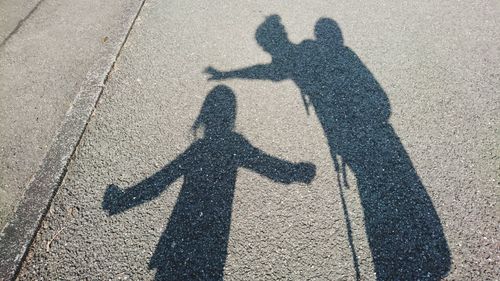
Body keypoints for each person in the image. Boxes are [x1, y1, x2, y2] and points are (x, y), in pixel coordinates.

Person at [206, 16, 450, 280]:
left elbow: (268, 71)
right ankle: (416, 251)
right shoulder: (305, 52)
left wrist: (228, 74)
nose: (269, 52)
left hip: (350, 134)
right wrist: (228, 73)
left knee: (379, 191)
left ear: (274, 42)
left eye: (268, 46)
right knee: (394, 183)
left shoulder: (297, 57)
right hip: (367, 127)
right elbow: (269, 71)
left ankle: (405, 259)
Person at [103, 85, 316, 280]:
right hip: (214, 236)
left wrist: (120, 201)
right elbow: (267, 166)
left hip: (181, 235)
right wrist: (296, 172)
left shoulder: (198, 150)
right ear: (231, 116)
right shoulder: (235, 146)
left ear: (204, 116)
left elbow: (159, 183)